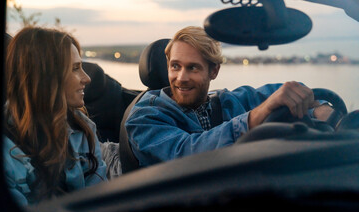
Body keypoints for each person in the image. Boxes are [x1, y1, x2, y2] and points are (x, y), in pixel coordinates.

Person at [125, 26, 333, 167]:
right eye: (175, 66)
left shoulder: (225, 101)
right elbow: (187, 154)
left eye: (193, 68)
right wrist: (256, 117)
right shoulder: (145, 116)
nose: (181, 78)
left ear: (213, 71)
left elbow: (286, 92)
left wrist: (318, 108)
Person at [4, 27, 107, 205]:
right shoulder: (7, 148)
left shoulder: (82, 128)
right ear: (47, 78)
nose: (87, 78)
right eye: (75, 69)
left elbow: (99, 201)